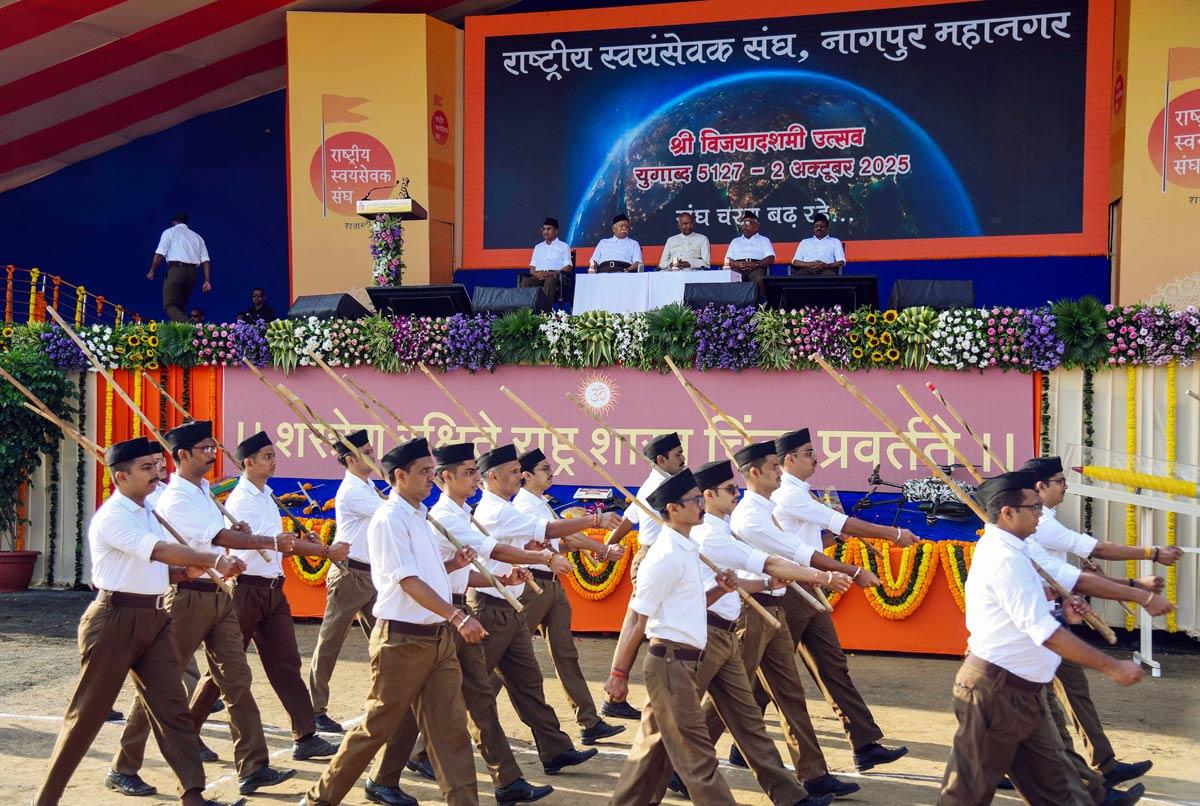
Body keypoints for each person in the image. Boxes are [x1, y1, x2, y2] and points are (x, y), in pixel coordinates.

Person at [36, 437, 246, 806]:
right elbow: (159, 551)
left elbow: (156, 570)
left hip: (154, 617)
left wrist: (184, 573)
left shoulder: (148, 509)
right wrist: (211, 560)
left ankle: (193, 796)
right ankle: (47, 799)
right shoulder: (114, 516)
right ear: (120, 477)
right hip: (113, 620)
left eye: (156, 465)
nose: (157, 474)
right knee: (87, 715)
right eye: (147, 468)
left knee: (173, 710)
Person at [644, 458, 852, 804]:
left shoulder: (720, 529)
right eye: (728, 490)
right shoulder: (707, 534)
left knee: (750, 725)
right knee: (665, 728)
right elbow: (766, 559)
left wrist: (767, 582)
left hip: (725, 633)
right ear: (707, 496)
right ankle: (656, 781)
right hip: (703, 637)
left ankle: (792, 796)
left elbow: (738, 579)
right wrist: (824, 577)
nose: (735, 493)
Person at [109, 421, 296, 799]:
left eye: (213, 446)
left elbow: (223, 530)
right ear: (182, 455)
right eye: (205, 448)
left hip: (218, 594)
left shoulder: (205, 490)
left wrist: (241, 533)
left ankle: (254, 765)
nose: (213, 453)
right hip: (186, 597)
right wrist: (269, 541)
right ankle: (123, 766)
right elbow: (221, 538)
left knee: (236, 679)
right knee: (160, 684)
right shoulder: (176, 497)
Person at [938, 471, 1146, 805]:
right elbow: (1044, 633)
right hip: (997, 693)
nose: (1040, 514)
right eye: (1034, 508)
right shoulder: (1003, 558)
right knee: (966, 795)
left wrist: (1064, 614)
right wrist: (1111, 666)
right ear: (1008, 513)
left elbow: (1029, 617)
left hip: (1023, 691)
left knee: (1061, 793)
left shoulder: (1018, 549)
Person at [302, 438, 484, 806]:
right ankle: (319, 799)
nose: (432, 479)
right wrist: (457, 614)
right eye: (424, 473)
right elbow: (406, 580)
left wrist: (454, 566)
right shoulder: (388, 518)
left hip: (437, 641)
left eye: (433, 471)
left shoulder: (418, 514)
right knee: (375, 729)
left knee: (451, 734)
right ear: (400, 476)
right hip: (401, 641)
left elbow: (424, 575)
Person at [379, 442, 564, 805]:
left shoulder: (455, 514)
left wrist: (500, 580)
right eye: (468, 472)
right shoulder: (440, 516)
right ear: (447, 477)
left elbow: (454, 572)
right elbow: (490, 551)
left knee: (479, 697)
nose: (476, 478)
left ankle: (507, 781)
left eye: (476, 472)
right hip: (440, 617)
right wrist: (540, 556)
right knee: (402, 709)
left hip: (453, 610)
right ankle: (385, 775)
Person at [1022, 456, 1181, 788]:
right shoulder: (1038, 526)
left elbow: (1076, 575)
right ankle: (1066, 774)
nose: (1065, 487)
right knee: (1035, 706)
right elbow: (1095, 552)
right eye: (1059, 481)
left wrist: (1133, 586)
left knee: (1065, 694)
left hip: (1049, 618)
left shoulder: (1040, 522)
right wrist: (1150, 558)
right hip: (1032, 628)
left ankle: (1100, 768)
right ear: (1040, 488)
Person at [187, 432, 344, 761]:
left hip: (273, 589)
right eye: (267, 457)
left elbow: (277, 548)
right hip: (246, 590)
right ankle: (187, 732)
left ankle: (306, 735)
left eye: (274, 456)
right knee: (224, 669)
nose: (274, 461)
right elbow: (269, 543)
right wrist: (322, 549)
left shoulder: (266, 495)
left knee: (286, 663)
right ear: (248, 463)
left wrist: (299, 543)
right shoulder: (242, 500)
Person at [719, 443, 863, 798]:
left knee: (791, 694)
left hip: (776, 609)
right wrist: (827, 576)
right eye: (772, 466)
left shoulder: (765, 509)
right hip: (752, 612)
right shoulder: (749, 516)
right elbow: (782, 557)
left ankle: (814, 775)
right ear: (754, 473)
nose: (779, 471)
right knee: (726, 696)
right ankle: (680, 766)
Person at [770, 428, 914, 772]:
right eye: (808, 453)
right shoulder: (789, 495)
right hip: (790, 590)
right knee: (768, 673)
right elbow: (843, 522)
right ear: (789, 460)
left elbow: (821, 534)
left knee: (832, 666)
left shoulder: (800, 494)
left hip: (809, 589)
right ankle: (726, 742)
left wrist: (831, 536)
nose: (815, 458)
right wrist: (893, 534)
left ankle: (864, 743)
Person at [469, 443, 608, 775]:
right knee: (472, 684)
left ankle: (555, 749)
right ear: (492, 476)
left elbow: (526, 544)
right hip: (488, 608)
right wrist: (596, 519)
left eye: (520, 471)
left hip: (510, 606)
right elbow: (548, 532)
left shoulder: (508, 507)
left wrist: (535, 555)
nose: (520, 476)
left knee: (529, 683)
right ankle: (420, 750)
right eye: (514, 472)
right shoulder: (496, 510)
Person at [605, 469, 740, 805]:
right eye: (694, 500)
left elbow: (688, 606)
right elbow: (638, 617)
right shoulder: (664, 556)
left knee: (651, 753)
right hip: (670, 663)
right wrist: (618, 674)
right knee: (698, 759)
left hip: (683, 664)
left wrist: (717, 592)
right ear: (673, 509)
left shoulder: (686, 548)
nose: (701, 505)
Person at [512, 448, 627, 744]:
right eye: (543, 468)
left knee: (565, 653)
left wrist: (587, 547)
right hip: (532, 585)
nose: (551, 472)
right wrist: (600, 547)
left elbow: (560, 544)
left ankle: (589, 721)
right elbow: (561, 535)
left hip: (552, 584)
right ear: (526, 476)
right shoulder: (526, 505)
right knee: (504, 653)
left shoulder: (540, 503)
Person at [601, 431, 687, 721]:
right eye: (678, 455)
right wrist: (605, 546)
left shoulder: (666, 482)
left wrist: (608, 543)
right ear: (661, 459)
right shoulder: (660, 486)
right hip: (653, 557)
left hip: (666, 557)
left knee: (647, 626)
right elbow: (632, 519)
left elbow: (629, 518)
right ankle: (614, 693)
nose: (683, 458)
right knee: (636, 625)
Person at [309, 430, 384, 733]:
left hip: (371, 574)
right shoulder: (353, 490)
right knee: (330, 641)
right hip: (349, 573)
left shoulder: (367, 486)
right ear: (351, 458)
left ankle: (386, 700)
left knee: (383, 640)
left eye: (371, 448)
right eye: (365, 451)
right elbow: (388, 515)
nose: (372, 454)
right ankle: (314, 709)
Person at [148, 212, 211, 323]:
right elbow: (206, 260)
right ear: (187, 223)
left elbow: (160, 254)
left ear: (173, 222)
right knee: (179, 308)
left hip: (176, 271)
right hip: (192, 274)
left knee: (169, 306)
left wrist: (152, 271)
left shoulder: (170, 232)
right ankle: (182, 335)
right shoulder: (198, 237)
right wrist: (207, 281)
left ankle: (191, 325)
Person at [723, 211, 774, 299]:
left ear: (757, 226)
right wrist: (738, 264)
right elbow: (728, 259)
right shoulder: (735, 241)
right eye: (742, 223)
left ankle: (757, 308)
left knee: (758, 279)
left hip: (756, 268)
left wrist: (756, 264)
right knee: (732, 278)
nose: (744, 225)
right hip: (738, 268)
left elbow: (770, 258)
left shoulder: (764, 240)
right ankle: (734, 309)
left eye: (747, 223)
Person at [522, 217, 573, 303]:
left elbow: (567, 267)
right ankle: (527, 312)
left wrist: (552, 274)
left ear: (556, 231)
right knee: (526, 282)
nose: (545, 232)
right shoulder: (538, 247)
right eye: (543, 229)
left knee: (550, 281)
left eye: (548, 229)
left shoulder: (564, 246)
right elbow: (532, 268)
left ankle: (545, 313)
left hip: (555, 276)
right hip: (538, 276)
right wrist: (537, 274)